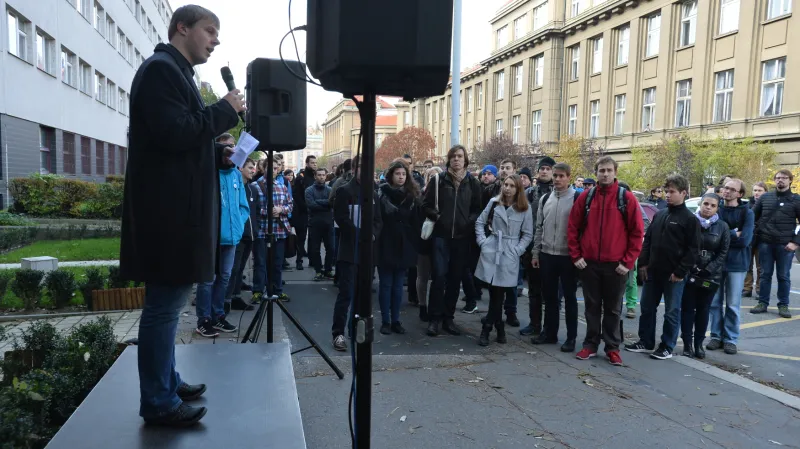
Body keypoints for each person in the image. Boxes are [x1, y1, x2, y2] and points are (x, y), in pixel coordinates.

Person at [120, 5, 243, 426]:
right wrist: (225, 110)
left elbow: (181, 140)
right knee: (163, 308)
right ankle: (158, 401)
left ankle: (167, 382)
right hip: (167, 218)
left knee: (169, 308)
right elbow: (175, 133)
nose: (216, 40)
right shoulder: (160, 71)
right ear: (182, 28)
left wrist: (218, 154)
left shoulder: (175, 73)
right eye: (210, 31)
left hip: (176, 214)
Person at [568, 157, 643, 366]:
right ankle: (590, 344)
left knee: (613, 309)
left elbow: (637, 233)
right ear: (597, 172)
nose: (605, 174)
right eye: (602, 170)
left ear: (615, 172)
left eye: (609, 170)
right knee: (591, 307)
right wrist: (577, 256)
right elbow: (573, 227)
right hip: (589, 263)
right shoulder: (587, 197)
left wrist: (627, 262)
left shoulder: (626, 198)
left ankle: (612, 348)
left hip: (616, 265)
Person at [626, 174, 700, 361]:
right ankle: (646, 341)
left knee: (671, 312)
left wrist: (680, 271)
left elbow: (693, 250)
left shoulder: (690, 219)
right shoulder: (660, 215)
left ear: (683, 193)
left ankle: (667, 345)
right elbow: (648, 240)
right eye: (666, 191)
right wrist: (643, 263)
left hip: (674, 275)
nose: (667, 195)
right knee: (647, 308)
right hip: (653, 271)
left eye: (672, 192)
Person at [421, 145, 482, 336]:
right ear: (449, 159)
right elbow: (425, 205)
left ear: (465, 160)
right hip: (441, 236)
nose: (456, 159)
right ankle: (434, 319)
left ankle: (449, 318)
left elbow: (477, 208)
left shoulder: (472, 183)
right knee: (439, 277)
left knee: (455, 279)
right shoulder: (439, 180)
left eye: (460, 156)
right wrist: (437, 216)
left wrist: (468, 222)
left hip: (462, 238)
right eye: (453, 156)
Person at [194, 134, 250, 337]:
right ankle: (203, 319)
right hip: (212, 239)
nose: (231, 152)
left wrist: (238, 224)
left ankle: (218, 316)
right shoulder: (209, 173)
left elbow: (243, 206)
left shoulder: (236, 175)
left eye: (233, 148)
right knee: (207, 280)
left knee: (225, 278)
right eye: (226, 148)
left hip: (232, 238)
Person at [331, 155, 382, 351]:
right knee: (346, 294)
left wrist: (373, 235)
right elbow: (342, 219)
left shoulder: (374, 193)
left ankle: (356, 329)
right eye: (360, 166)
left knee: (363, 295)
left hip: (368, 253)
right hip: (349, 251)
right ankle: (338, 333)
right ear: (353, 169)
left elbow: (378, 220)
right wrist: (361, 235)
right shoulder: (345, 191)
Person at [474, 174, 533, 346]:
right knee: (493, 292)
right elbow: (479, 222)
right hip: (492, 248)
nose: (507, 188)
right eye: (505, 184)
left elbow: (527, 234)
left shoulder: (524, 208)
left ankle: (488, 328)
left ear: (518, 189)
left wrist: (518, 250)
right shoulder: (494, 202)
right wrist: (483, 242)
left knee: (499, 292)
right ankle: (499, 327)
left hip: (509, 251)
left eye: (511, 186)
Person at [531, 163, 579, 352]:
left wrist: (578, 255)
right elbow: (539, 228)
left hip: (568, 256)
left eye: (561, 176)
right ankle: (549, 333)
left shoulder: (577, 198)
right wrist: (536, 252)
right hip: (547, 254)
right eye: (556, 176)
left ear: (569, 177)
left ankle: (571, 338)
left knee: (569, 298)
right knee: (549, 297)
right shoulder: (545, 199)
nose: (558, 179)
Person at [706, 179, 753, 355]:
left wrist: (725, 235)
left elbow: (745, 240)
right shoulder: (717, 208)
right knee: (715, 303)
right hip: (717, 262)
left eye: (732, 189)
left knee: (733, 304)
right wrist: (734, 232)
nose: (727, 191)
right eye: (725, 188)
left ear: (740, 194)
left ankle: (731, 339)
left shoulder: (747, 212)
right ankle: (716, 336)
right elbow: (711, 236)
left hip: (737, 263)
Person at [680, 193, 729, 359]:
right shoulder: (690, 222)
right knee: (687, 309)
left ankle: (698, 343)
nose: (708, 207)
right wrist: (691, 266)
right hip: (690, 271)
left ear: (717, 208)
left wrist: (709, 269)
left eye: (712, 205)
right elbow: (683, 246)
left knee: (703, 310)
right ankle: (687, 343)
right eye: (706, 204)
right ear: (700, 204)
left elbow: (723, 252)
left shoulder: (722, 226)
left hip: (710, 275)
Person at [376, 160, 420, 335]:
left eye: (403, 174)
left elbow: (416, 221)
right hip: (386, 241)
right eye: (397, 174)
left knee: (397, 286)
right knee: (385, 284)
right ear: (391, 175)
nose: (401, 177)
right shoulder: (381, 194)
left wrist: (414, 243)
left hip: (405, 243)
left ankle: (396, 320)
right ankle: (385, 321)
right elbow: (378, 218)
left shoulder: (412, 195)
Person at [751, 169, 800, 319]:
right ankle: (762, 303)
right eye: (778, 178)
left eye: (784, 178)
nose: (780, 180)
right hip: (765, 243)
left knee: (783, 276)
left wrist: (795, 243)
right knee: (765, 275)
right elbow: (751, 216)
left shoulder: (797, 200)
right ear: (774, 180)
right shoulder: (765, 198)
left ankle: (783, 305)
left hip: (785, 245)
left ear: (790, 181)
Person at [521, 156, 555, 336]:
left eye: (548, 168)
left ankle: (549, 328)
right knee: (533, 290)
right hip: (531, 246)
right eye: (542, 168)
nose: (544, 171)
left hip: (552, 248)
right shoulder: (529, 193)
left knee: (550, 291)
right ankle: (534, 324)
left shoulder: (558, 192)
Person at [226, 157, 259, 312]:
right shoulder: (235, 188)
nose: (253, 170)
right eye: (250, 167)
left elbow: (256, 212)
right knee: (233, 268)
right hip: (238, 235)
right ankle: (228, 298)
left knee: (240, 269)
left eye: (254, 167)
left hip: (250, 235)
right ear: (240, 168)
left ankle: (236, 295)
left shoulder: (252, 189)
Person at [305, 167, 334, 281]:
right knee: (315, 249)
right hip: (315, 223)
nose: (321, 177)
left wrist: (319, 202)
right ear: (315, 176)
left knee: (331, 248)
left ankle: (328, 270)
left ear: (326, 176)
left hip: (328, 223)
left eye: (323, 175)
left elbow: (332, 203)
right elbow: (311, 205)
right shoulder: (309, 190)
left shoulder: (330, 189)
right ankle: (318, 271)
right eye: (319, 175)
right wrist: (326, 204)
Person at [292, 155, 318, 270]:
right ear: (307, 163)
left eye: (315, 163)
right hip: (302, 212)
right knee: (301, 238)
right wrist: (305, 207)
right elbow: (296, 195)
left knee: (313, 238)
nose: (314, 165)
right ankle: (299, 260)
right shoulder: (301, 177)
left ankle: (313, 260)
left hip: (313, 212)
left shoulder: (316, 176)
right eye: (312, 163)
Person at [743, 181, 767, 297]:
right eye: (755, 190)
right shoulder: (747, 205)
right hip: (749, 238)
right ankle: (747, 288)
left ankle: (759, 289)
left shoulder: (768, 204)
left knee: (760, 266)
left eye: (760, 190)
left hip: (762, 238)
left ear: (765, 192)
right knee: (747, 265)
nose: (757, 193)